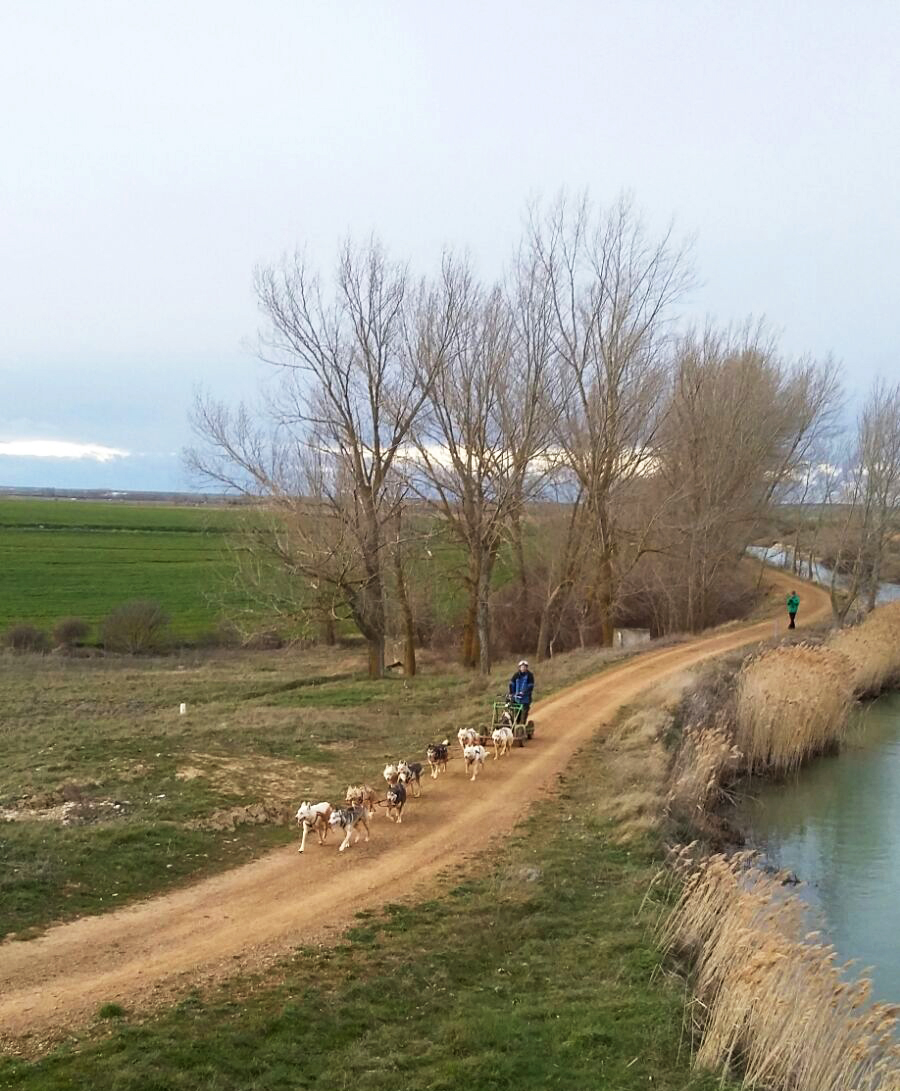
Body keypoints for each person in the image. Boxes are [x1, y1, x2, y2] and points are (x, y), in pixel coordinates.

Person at [508, 659, 535, 724]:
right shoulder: (516, 675)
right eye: (522, 667)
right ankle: (516, 726)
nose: (523, 668)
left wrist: (523, 692)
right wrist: (511, 693)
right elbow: (511, 684)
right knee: (516, 717)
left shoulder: (530, 675)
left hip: (526, 700)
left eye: (524, 667)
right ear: (519, 668)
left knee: (523, 718)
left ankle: (522, 727)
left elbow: (530, 686)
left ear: (527, 668)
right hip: (516, 699)